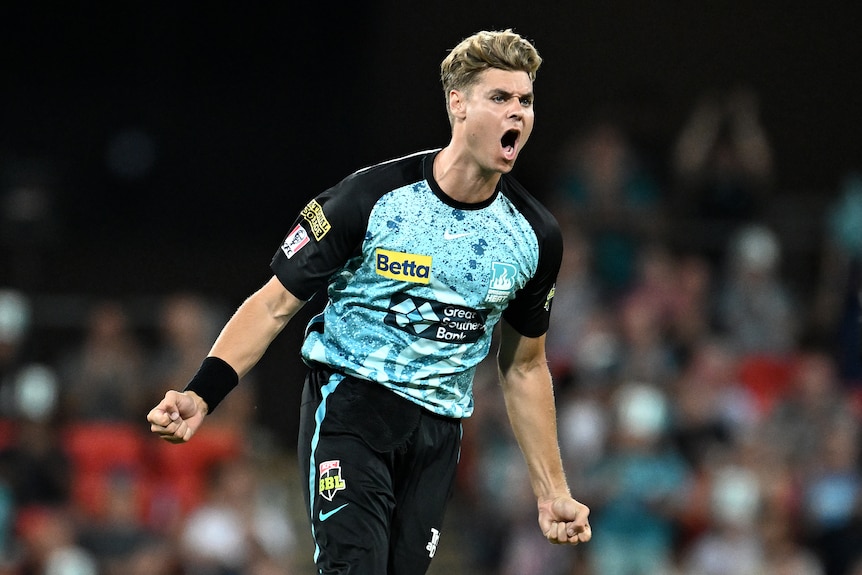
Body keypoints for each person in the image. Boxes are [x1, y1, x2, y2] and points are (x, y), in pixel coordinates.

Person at [147, 28, 592, 574]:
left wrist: (551, 493)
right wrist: (202, 393)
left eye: (525, 101)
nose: (517, 114)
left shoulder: (535, 236)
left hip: (437, 435)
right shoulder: (370, 199)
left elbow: (524, 367)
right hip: (351, 411)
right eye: (499, 98)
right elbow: (273, 305)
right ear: (458, 103)